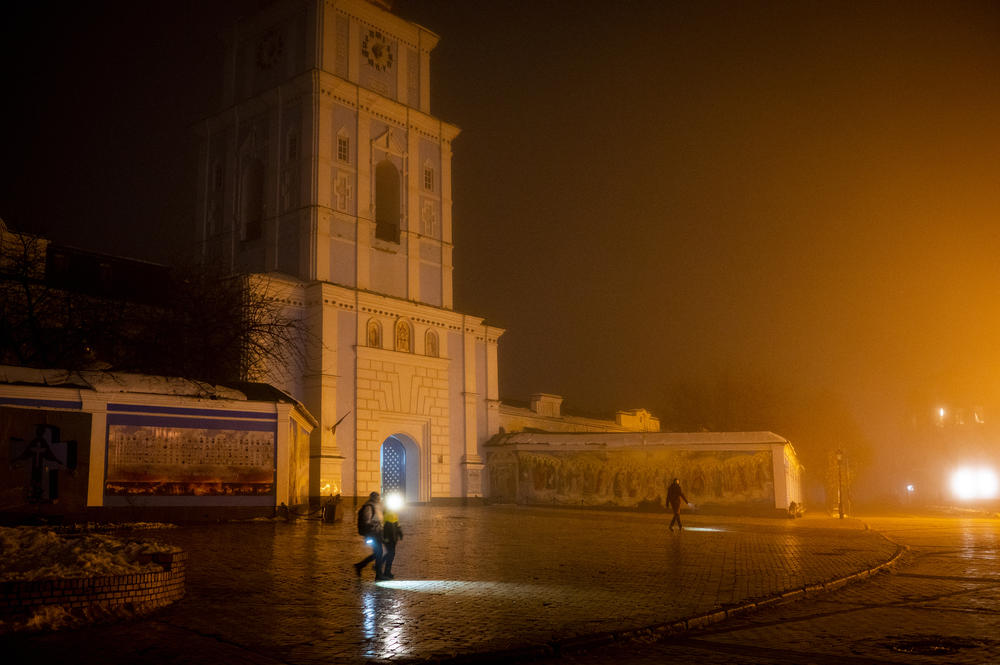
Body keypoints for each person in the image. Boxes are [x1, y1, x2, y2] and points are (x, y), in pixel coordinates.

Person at [354, 491, 385, 579]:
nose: (379, 499)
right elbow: (367, 521)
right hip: (372, 534)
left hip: (377, 533)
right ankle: (378, 575)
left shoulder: (376, 506)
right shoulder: (369, 506)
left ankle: (360, 566)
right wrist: (376, 524)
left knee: (378, 553)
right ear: (373, 498)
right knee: (379, 553)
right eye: (377, 497)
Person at [381, 508, 404, 579]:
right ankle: (383, 569)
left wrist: (400, 532)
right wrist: (385, 537)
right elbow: (383, 525)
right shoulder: (385, 511)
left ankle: (387, 572)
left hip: (394, 536)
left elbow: (397, 523)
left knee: (391, 554)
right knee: (390, 553)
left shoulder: (394, 512)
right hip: (388, 536)